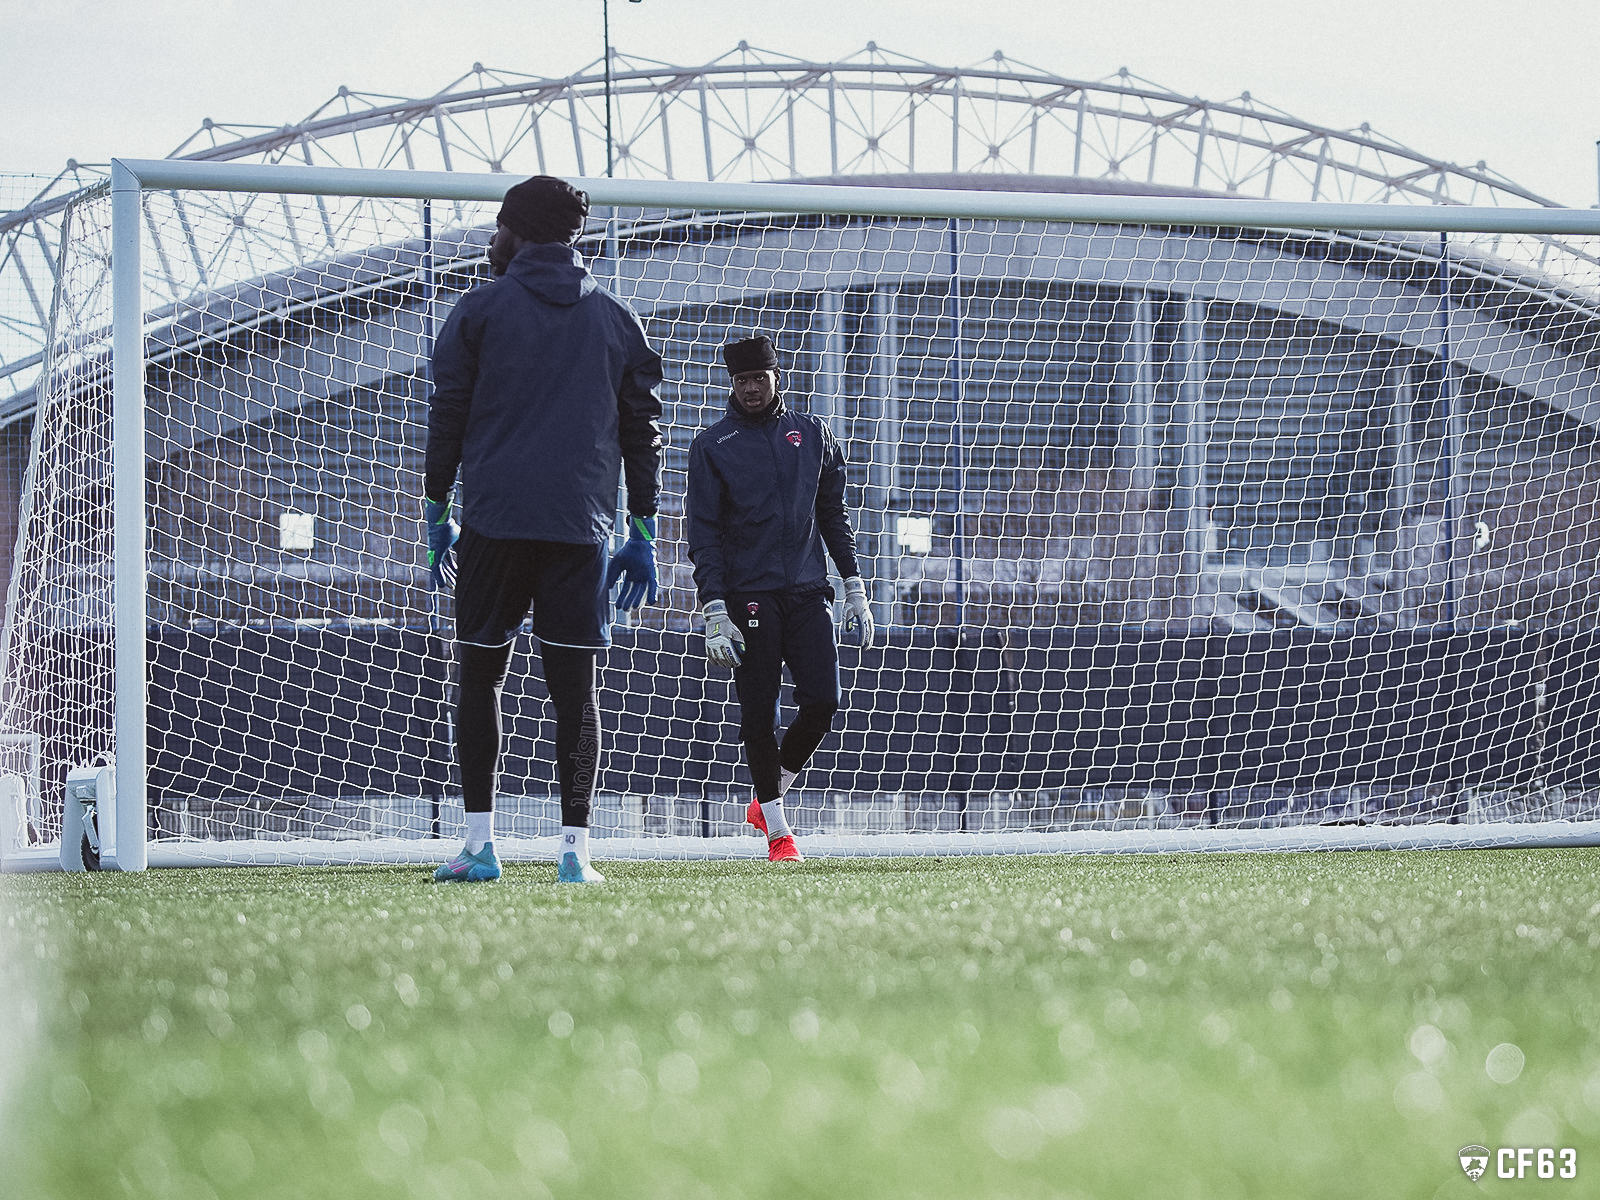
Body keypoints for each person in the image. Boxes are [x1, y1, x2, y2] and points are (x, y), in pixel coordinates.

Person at [423, 175, 663, 885]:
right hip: (580, 530)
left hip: (494, 525)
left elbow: (448, 419)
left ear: (518, 231)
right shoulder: (618, 321)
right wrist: (641, 529)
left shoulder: (478, 309)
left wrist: (438, 511)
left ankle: (478, 846)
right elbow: (642, 433)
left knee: (480, 676)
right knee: (575, 689)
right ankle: (574, 854)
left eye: (498, 226)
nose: (492, 239)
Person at [686, 335, 874, 863]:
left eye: (758, 378)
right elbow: (703, 533)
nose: (750, 388)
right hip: (749, 597)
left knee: (823, 701)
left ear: (777, 377)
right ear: (731, 383)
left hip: (809, 590)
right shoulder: (713, 445)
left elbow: (834, 515)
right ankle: (778, 832)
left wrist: (854, 584)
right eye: (741, 380)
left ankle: (767, 800)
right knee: (759, 714)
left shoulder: (812, 434)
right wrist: (714, 606)